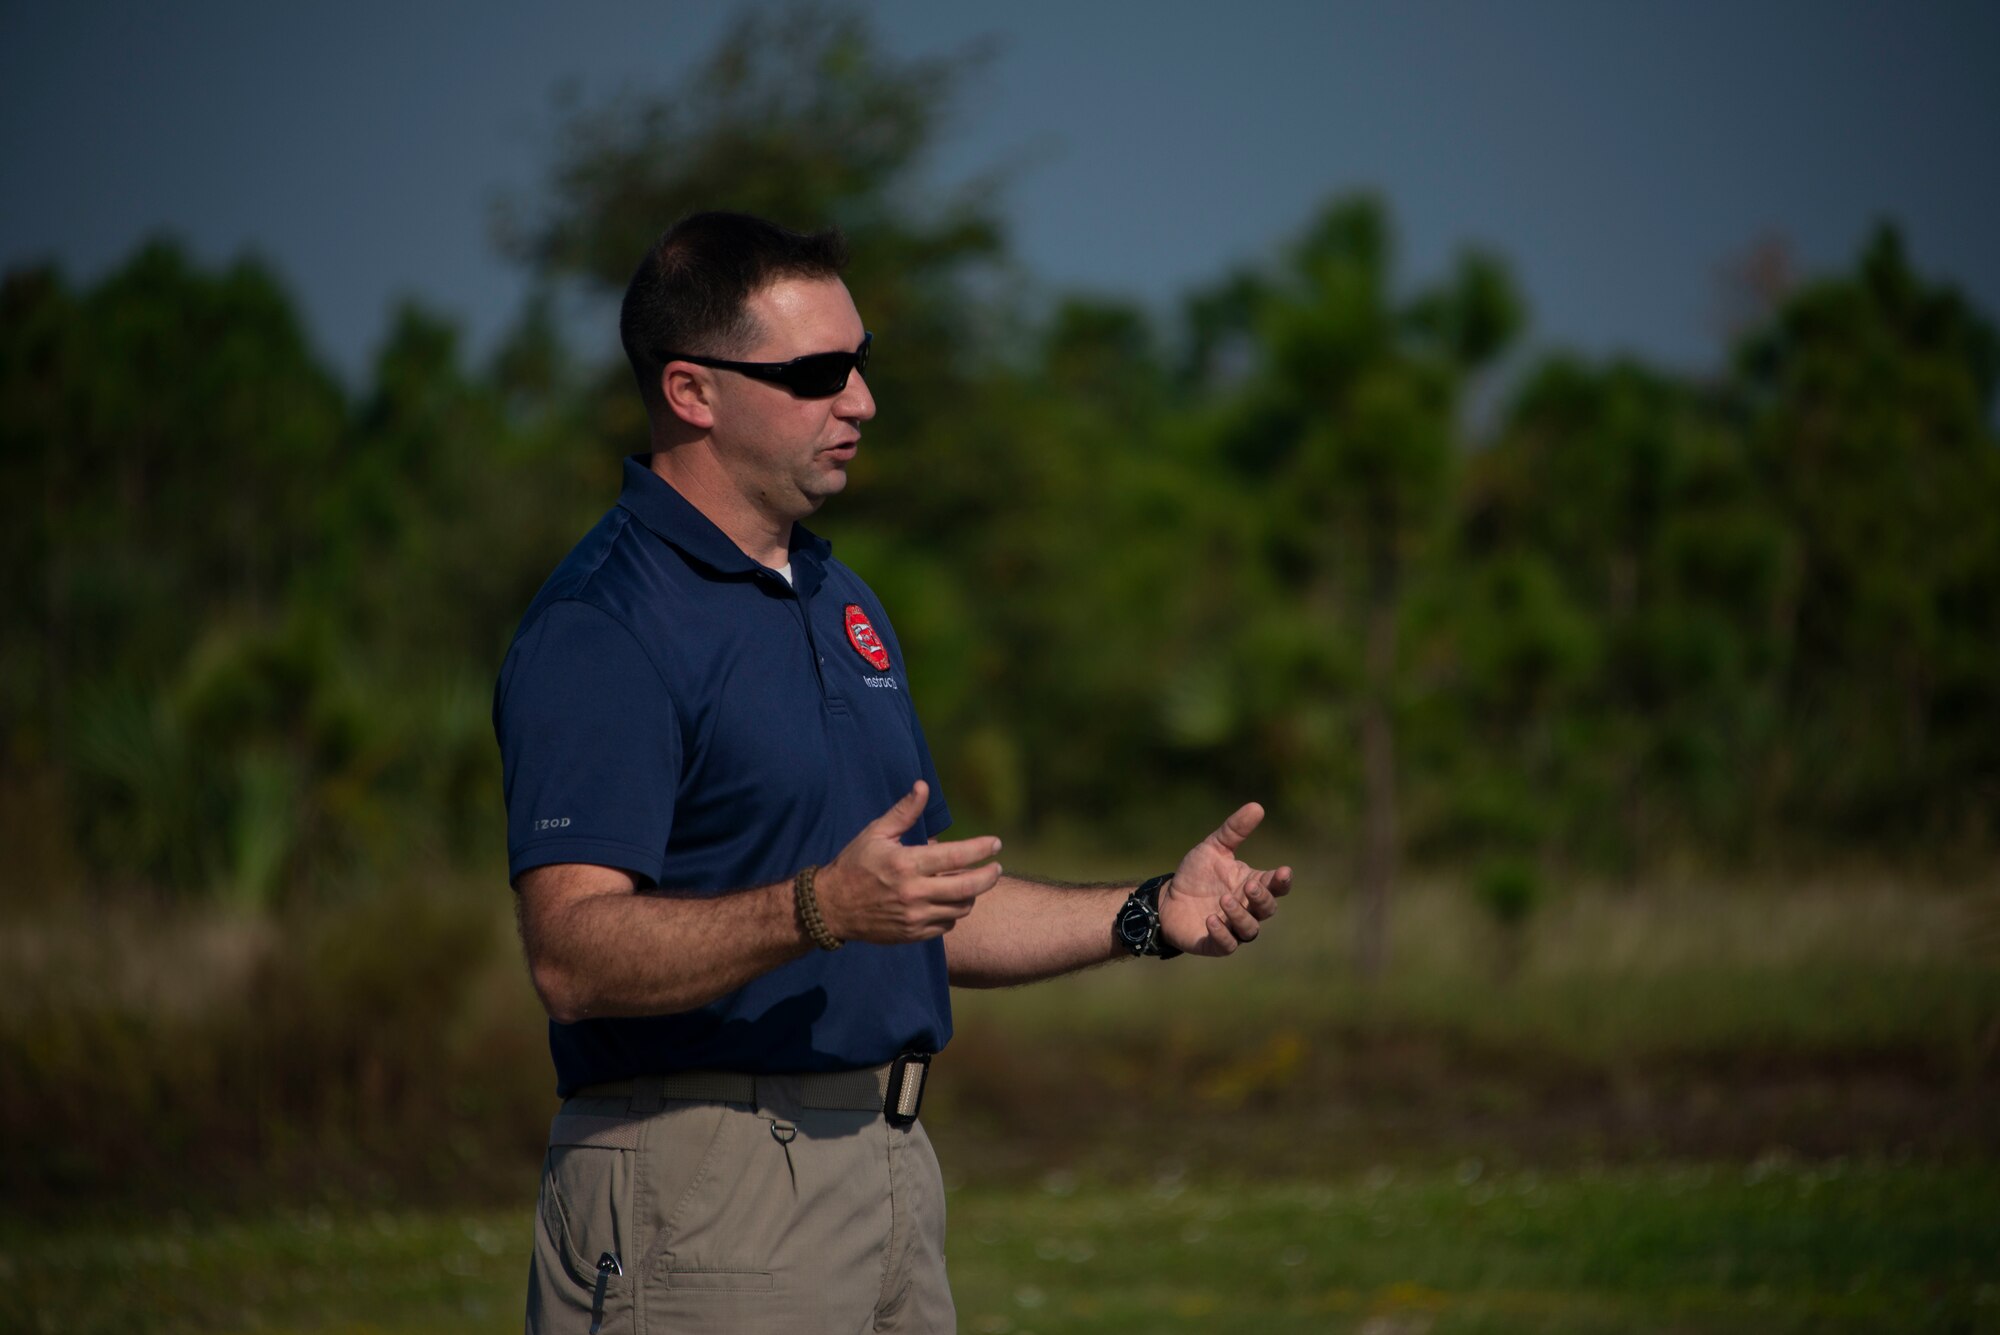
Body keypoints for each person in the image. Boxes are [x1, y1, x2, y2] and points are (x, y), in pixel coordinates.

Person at [493, 211, 1293, 1333]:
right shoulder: (605, 624)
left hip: (889, 1171)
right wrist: (820, 907)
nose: (859, 399)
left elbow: (916, 912)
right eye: (818, 371)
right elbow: (570, 955)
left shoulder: (841, 598)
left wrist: (1147, 913)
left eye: (860, 362)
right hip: (699, 1189)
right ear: (690, 391)